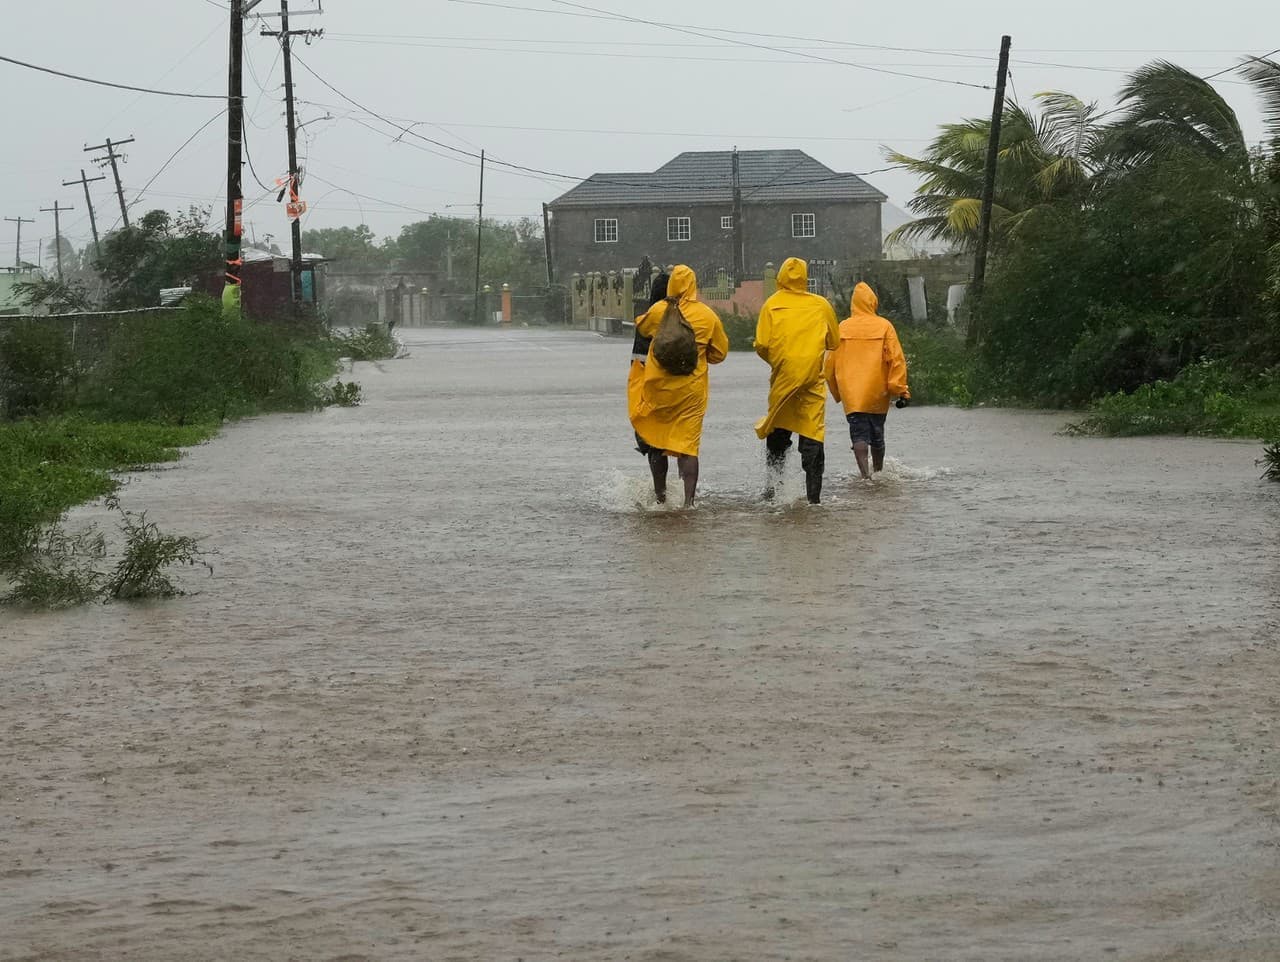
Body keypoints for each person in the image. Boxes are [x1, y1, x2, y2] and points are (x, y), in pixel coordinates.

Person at [631, 264, 729, 507]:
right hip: (691, 393)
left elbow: (642, 328)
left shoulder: (660, 310)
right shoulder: (707, 315)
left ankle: (660, 498)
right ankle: (688, 502)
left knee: (656, 441)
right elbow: (720, 354)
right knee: (688, 447)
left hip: (659, 389)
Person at [753, 257, 840, 504]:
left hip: (783, 377)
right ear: (804, 277)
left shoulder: (771, 305)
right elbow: (834, 342)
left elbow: (762, 345)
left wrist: (779, 361)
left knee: (778, 429)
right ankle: (814, 498)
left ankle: (773, 492)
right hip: (812, 380)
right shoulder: (821, 305)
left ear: (780, 276)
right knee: (813, 432)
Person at [824, 281, 910, 480]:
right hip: (877, 391)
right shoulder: (885, 326)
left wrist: (838, 393)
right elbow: (896, 360)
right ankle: (879, 472)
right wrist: (900, 389)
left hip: (852, 394)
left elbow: (828, 366)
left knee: (858, 433)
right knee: (877, 433)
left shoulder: (842, 327)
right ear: (873, 302)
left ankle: (865, 476)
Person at [626, 270, 669, 456]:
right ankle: (687, 485)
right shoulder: (687, 317)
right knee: (684, 445)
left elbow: (637, 360)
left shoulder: (647, 318)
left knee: (653, 444)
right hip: (679, 386)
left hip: (649, 385)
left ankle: (659, 486)